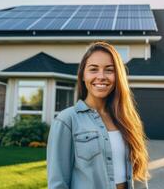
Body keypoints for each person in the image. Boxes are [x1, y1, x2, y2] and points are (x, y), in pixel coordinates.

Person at [47, 41, 150, 189]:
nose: (101, 76)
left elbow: (138, 174)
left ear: (118, 76)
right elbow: (58, 184)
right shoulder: (67, 120)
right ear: (83, 75)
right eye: (93, 69)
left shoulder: (127, 119)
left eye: (109, 70)